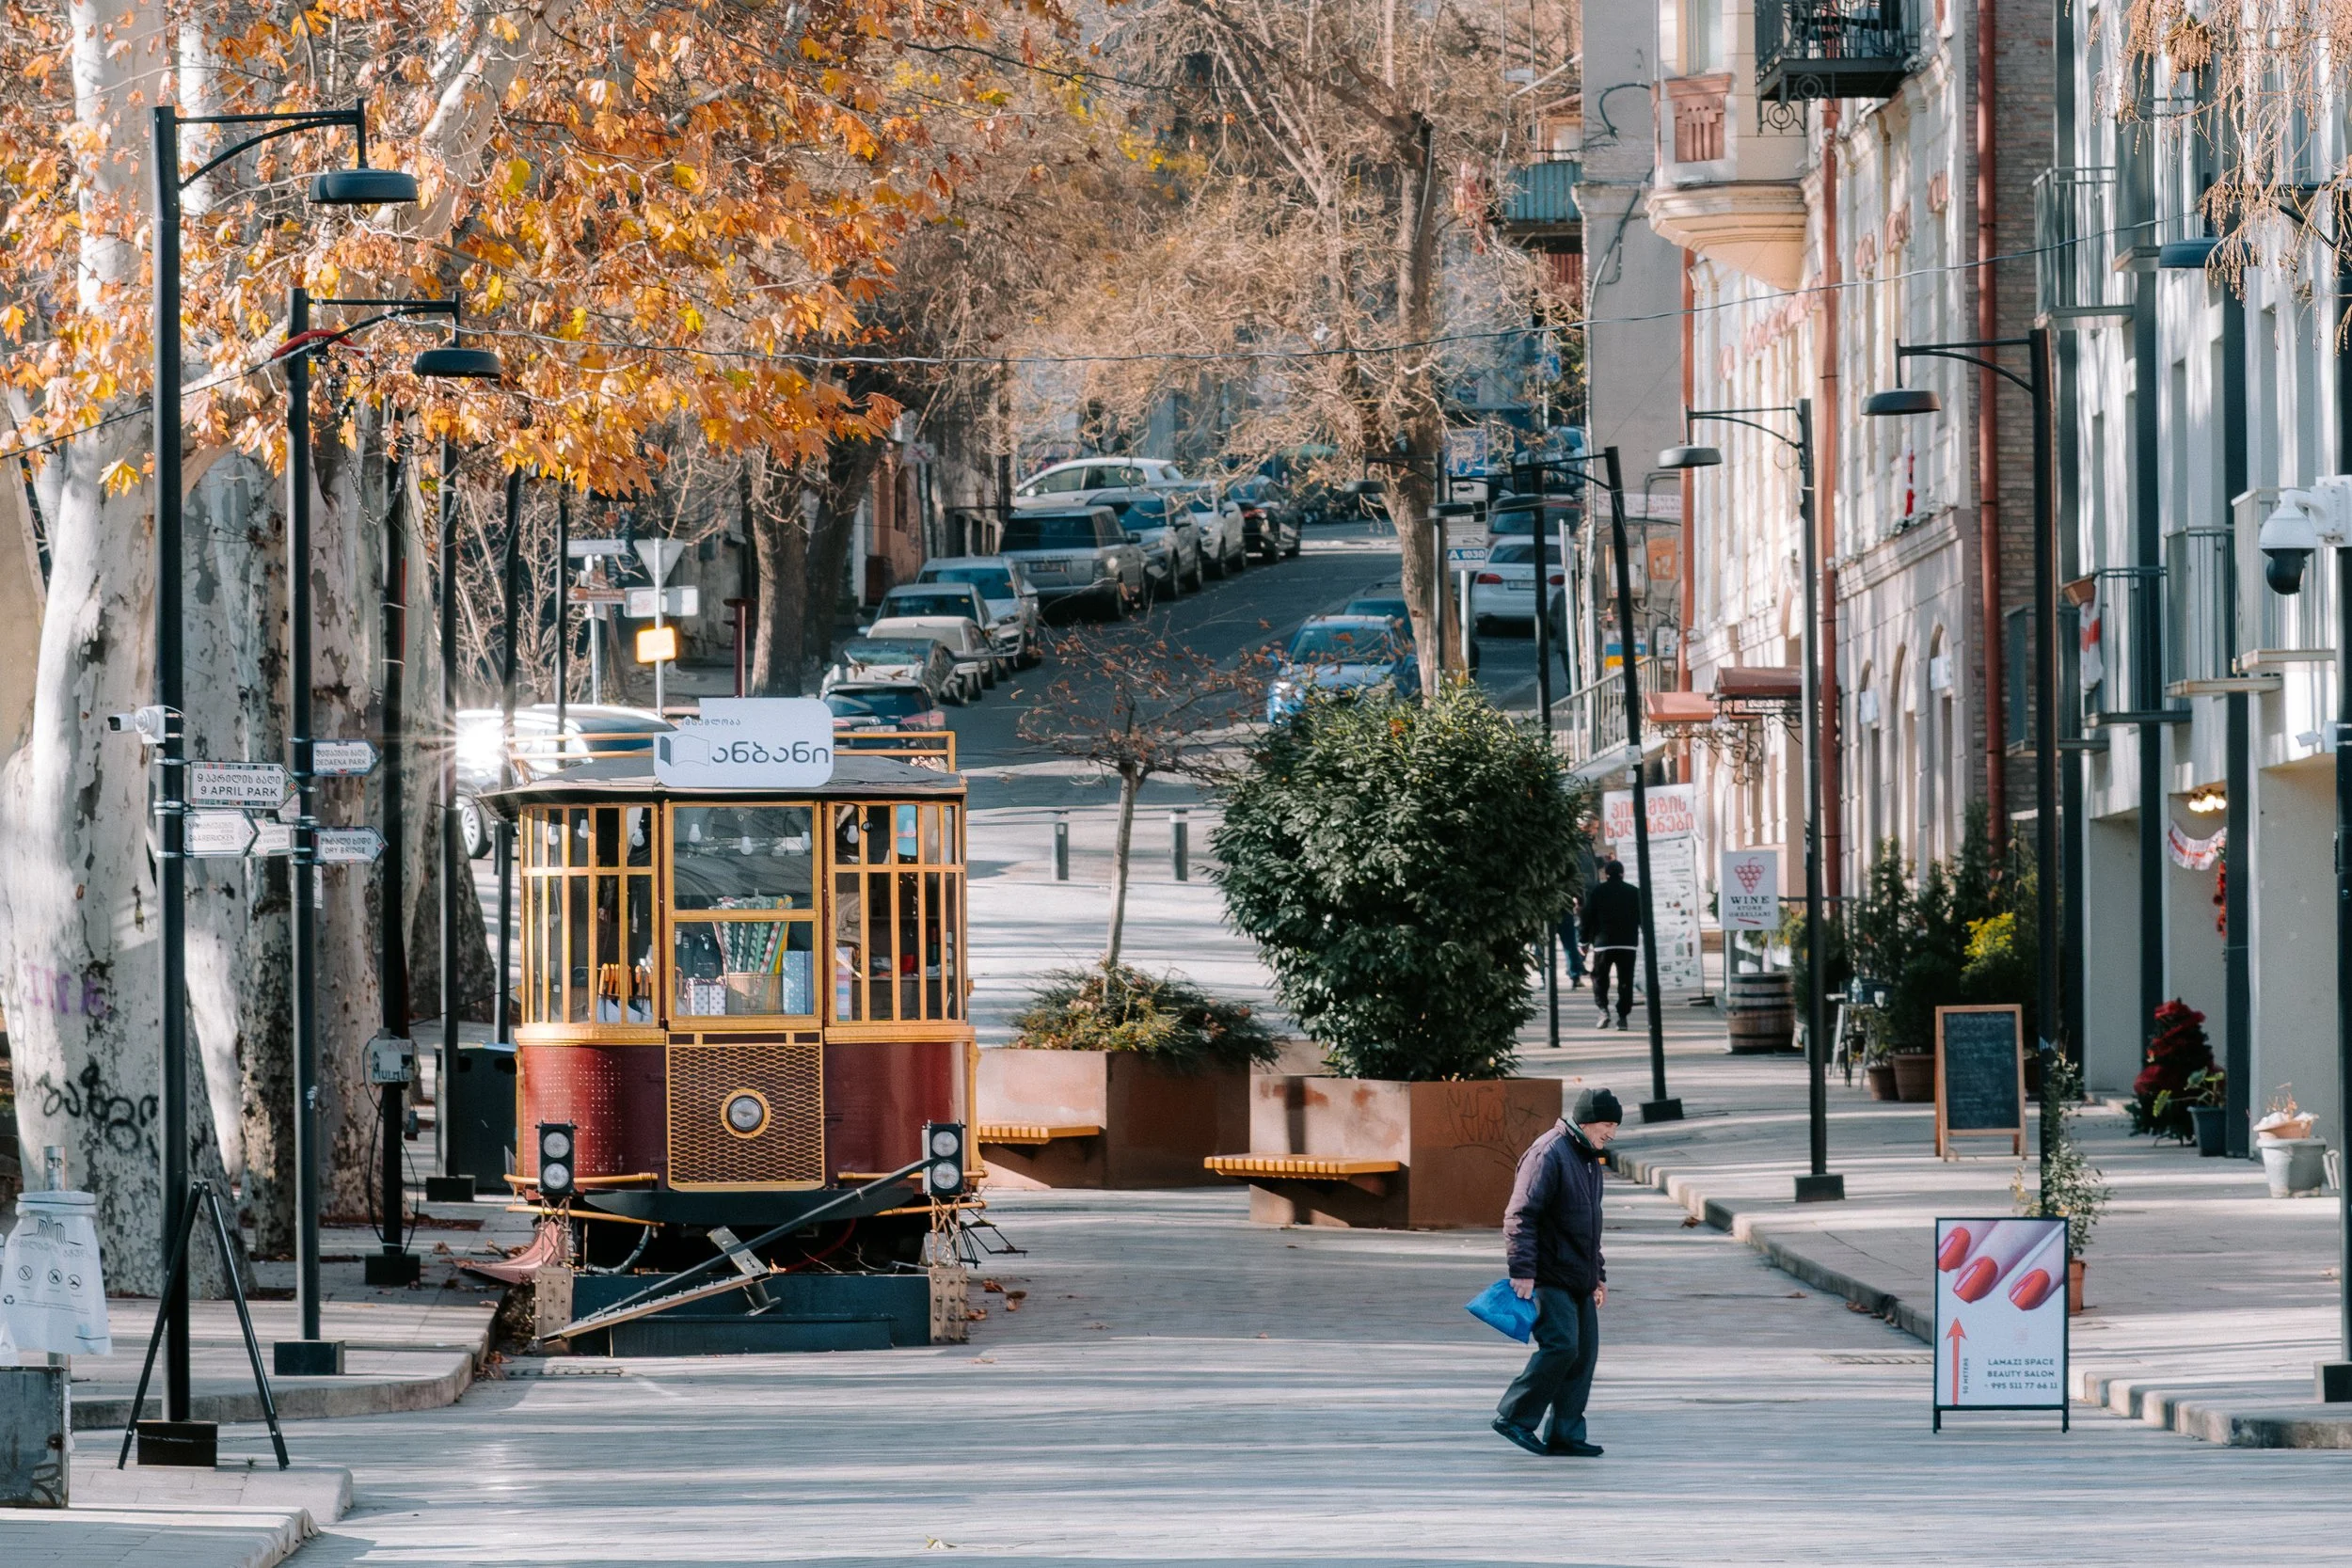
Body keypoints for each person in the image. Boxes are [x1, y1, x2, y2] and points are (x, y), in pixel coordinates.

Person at [1493, 1087, 1618, 1458]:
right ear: (1587, 1121)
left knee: (1583, 1355)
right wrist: (1522, 1271)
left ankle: (1565, 1433)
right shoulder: (1548, 1152)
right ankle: (1514, 1417)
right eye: (1608, 1124)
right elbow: (1520, 1215)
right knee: (1561, 1346)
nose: (1612, 1133)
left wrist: (1598, 1275)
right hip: (1547, 1273)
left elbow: (1590, 1224)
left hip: (1577, 1274)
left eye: (1615, 1125)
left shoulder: (1587, 1158)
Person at [1580, 861, 1641, 1030]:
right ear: (1623, 873)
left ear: (1605, 874)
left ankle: (1603, 1009)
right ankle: (1622, 1016)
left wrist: (1583, 941)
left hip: (1603, 943)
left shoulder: (1597, 891)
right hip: (1628, 943)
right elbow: (1642, 917)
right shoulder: (1633, 892)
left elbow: (1587, 917)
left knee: (1600, 978)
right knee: (1625, 980)